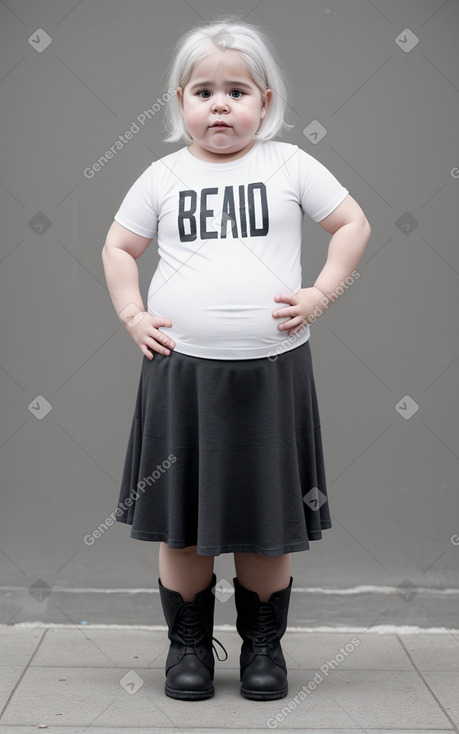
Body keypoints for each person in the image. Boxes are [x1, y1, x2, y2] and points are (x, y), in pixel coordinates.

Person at [101, 16, 371, 702]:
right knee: (183, 525)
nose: (220, 105)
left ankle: (261, 650)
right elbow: (117, 249)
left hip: (272, 374)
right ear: (179, 103)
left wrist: (318, 294)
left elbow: (351, 224)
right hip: (181, 375)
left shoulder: (290, 165)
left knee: (264, 522)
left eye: (237, 91)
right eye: (203, 91)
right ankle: (187, 648)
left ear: (266, 104)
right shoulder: (161, 176)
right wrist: (133, 314)